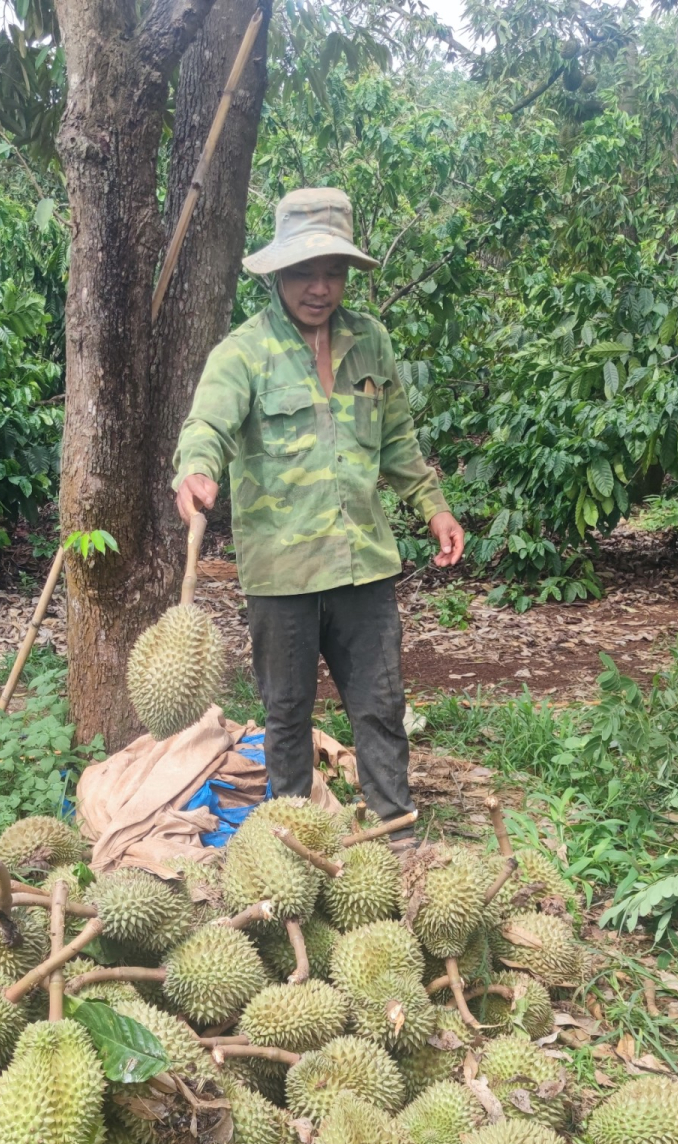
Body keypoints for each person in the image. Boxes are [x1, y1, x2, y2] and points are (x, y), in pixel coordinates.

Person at [172, 186, 463, 826]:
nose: (320, 287)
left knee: (380, 706)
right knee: (286, 714)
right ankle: (292, 844)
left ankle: (398, 831)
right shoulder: (243, 352)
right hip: (284, 572)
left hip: (363, 564)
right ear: (279, 272)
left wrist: (433, 505)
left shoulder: (371, 341)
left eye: (333, 272)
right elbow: (208, 427)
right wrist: (196, 472)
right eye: (305, 271)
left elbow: (398, 440)